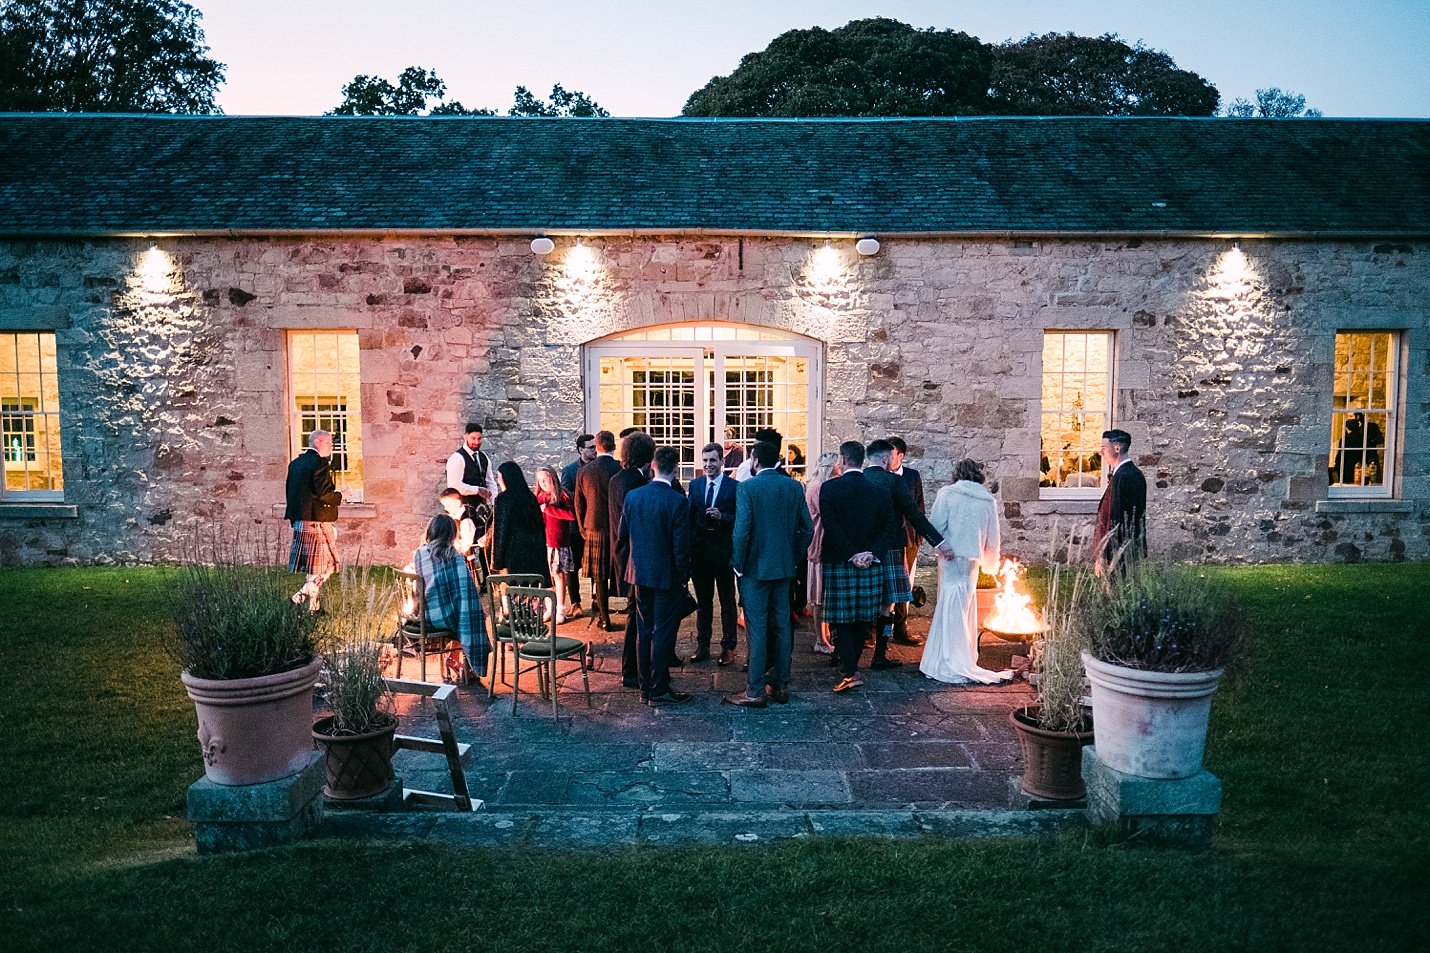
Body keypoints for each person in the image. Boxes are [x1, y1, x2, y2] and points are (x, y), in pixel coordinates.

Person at [724, 440, 813, 708]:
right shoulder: (793, 487)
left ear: (754, 459)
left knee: (757, 627)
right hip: (783, 568)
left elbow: (741, 531)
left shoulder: (748, 488)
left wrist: (738, 563)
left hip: (754, 569)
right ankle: (780, 683)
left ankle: (754, 690)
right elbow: (807, 529)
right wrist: (792, 557)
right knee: (783, 625)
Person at [920, 458, 1012, 685]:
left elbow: (934, 526)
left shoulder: (948, 494)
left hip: (950, 557)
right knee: (963, 606)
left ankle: (946, 658)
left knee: (949, 604)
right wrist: (992, 564)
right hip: (972, 561)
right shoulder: (987, 500)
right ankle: (961, 655)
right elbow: (993, 538)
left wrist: (941, 546)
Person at [863, 439, 955, 666]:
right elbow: (915, 515)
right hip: (891, 548)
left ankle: (844, 658)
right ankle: (879, 656)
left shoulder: (858, 478)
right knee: (887, 605)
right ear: (886, 458)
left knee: (859, 602)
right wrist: (939, 542)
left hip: (860, 551)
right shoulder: (894, 482)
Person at [616, 446, 692, 704]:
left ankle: (645, 687)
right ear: (675, 469)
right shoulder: (678, 501)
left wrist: (628, 569)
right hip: (666, 576)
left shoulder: (634, 497)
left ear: (653, 466)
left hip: (639, 573)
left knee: (644, 629)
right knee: (662, 632)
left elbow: (622, 538)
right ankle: (658, 689)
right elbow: (681, 547)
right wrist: (684, 576)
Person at [819, 440, 894, 693]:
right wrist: (869, 554)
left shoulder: (829, 489)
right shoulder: (880, 491)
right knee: (863, 617)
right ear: (862, 459)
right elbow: (887, 529)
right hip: (870, 563)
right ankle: (851, 668)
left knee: (842, 619)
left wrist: (852, 554)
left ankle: (850, 671)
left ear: (843, 458)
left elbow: (831, 526)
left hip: (841, 560)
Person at [412, 514, 489, 682]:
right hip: (442, 618)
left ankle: (454, 659)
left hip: (428, 615)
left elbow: (420, 588)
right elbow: (466, 590)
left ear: (430, 531)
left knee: (461, 614)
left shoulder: (419, 553)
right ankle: (465, 665)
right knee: (470, 616)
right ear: (451, 534)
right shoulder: (455, 557)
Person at [688, 442, 739, 666]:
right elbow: (689, 516)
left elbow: (740, 519)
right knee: (704, 602)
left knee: (727, 601)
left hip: (724, 551)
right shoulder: (696, 484)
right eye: (706, 460)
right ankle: (703, 645)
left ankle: (728, 647)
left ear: (722, 461)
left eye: (713, 460)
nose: (709, 465)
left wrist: (722, 517)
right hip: (701, 552)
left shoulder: (734, 487)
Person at [610, 432, 656, 684]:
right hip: (635, 558)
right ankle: (634, 671)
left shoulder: (617, 479)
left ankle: (631, 669)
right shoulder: (637, 485)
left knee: (634, 614)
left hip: (622, 554)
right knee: (638, 617)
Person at [285, 428, 342, 612]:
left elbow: (291, 494)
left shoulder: (295, 464)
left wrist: (294, 518)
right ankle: (299, 596)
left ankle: (313, 607)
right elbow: (324, 494)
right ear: (317, 442)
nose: (331, 446)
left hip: (301, 521)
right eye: (328, 442)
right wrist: (342, 496)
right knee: (329, 565)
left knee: (314, 569)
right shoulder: (319, 463)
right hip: (316, 521)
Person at [574, 430, 621, 629]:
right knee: (622, 570)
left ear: (598, 447)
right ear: (614, 447)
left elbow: (578, 503)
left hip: (593, 526)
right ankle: (630, 611)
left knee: (599, 576)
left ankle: (604, 617)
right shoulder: (620, 469)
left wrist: (582, 527)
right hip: (617, 526)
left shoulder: (584, 471)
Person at [888, 436, 929, 643]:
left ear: (901, 456)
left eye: (891, 453)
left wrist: (918, 538)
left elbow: (919, 508)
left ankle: (900, 631)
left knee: (905, 586)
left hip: (910, 539)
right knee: (886, 586)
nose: (887, 457)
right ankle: (877, 632)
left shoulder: (912, 477)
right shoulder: (880, 475)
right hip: (887, 540)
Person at [1093, 428, 1147, 573]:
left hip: (1119, 553)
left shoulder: (1123, 477)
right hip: (1127, 550)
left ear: (1117, 448)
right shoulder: (1133, 473)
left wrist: (1105, 555)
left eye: (1104, 448)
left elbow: (1117, 519)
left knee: (1114, 591)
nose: (1101, 453)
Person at [804, 451, 841, 655]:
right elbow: (827, 515)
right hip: (820, 543)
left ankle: (824, 637)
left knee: (821, 594)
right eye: (838, 466)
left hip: (820, 543)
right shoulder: (819, 487)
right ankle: (820, 639)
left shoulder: (818, 484)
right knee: (818, 596)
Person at [491, 461, 550, 584]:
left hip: (515, 552)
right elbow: (539, 525)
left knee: (518, 590)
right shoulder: (530, 496)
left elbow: (500, 531)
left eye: (499, 477)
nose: (498, 481)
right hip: (535, 548)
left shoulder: (504, 499)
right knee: (534, 588)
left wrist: (497, 562)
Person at [534, 465, 579, 622]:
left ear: (553, 478)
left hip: (558, 542)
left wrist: (549, 510)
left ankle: (561, 608)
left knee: (559, 575)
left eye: (546, 479)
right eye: (540, 481)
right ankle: (549, 606)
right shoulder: (538, 498)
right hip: (542, 543)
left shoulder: (562, 496)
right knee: (547, 577)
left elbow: (571, 515)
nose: (543, 483)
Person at [560, 433, 596, 613]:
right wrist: (584, 497)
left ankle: (597, 598)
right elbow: (565, 494)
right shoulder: (570, 470)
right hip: (575, 525)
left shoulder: (599, 468)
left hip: (594, 523)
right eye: (591, 448)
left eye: (595, 447)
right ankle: (575, 602)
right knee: (572, 566)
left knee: (596, 564)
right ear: (581, 450)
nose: (594, 450)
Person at [1333, 411, 1385, 485]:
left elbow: (1379, 440)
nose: (1348, 418)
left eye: (1350, 416)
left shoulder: (1371, 426)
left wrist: (1369, 442)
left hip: (1366, 461)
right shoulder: (1347, 434)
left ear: (1357, 417)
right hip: (1348, 464)